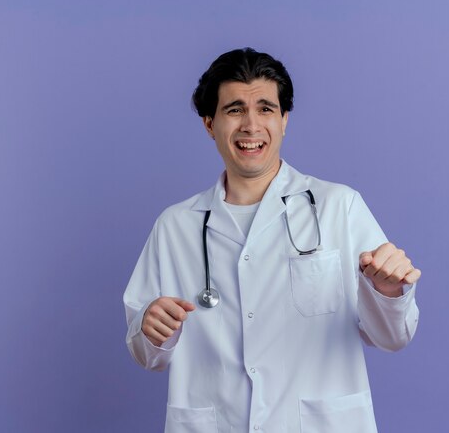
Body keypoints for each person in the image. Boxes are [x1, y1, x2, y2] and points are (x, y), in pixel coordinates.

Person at [123, 48, 421, 433]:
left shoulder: (339, 207)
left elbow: (394, 337)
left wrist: (386, 294)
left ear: (284, 120)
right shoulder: (175, 226)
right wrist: (151, 329)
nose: (251, 125)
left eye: (265, 109)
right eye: (234, 110)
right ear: (209, 124)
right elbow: (147, 354)